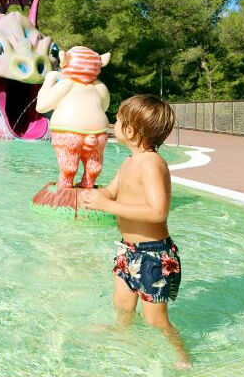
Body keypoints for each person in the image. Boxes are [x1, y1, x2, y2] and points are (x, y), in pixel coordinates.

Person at [78, 94, 191, 370]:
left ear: (130, 130)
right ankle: (122, 335)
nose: (113, 124)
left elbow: (158, 212)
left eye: (117, 120)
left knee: (155, 320)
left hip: (154, 256)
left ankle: (182, 356)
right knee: (122, 306)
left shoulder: (152, 163)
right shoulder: (130, 162)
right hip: (128, 251)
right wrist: (92, 196)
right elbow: (110, 192)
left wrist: (108, 205)